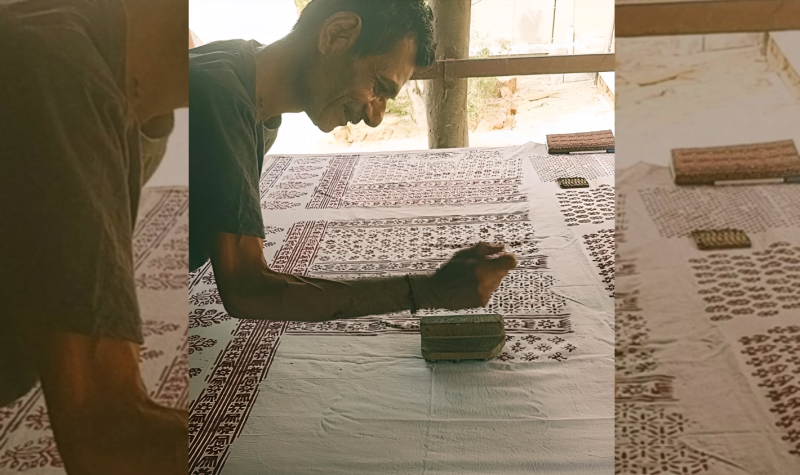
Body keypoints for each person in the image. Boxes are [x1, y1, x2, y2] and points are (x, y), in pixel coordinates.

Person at [189, 0, 517, 322]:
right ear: (337, 34)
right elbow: (247, 289)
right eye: (379, 87)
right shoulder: (219, 98)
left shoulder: (241, 67)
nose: (375, 117)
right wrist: (428, 291)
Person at [0, 0, 187, 473]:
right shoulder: (57, 69)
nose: (375, 118)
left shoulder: (136, 102)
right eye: (383, 87)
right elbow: (109, 439)